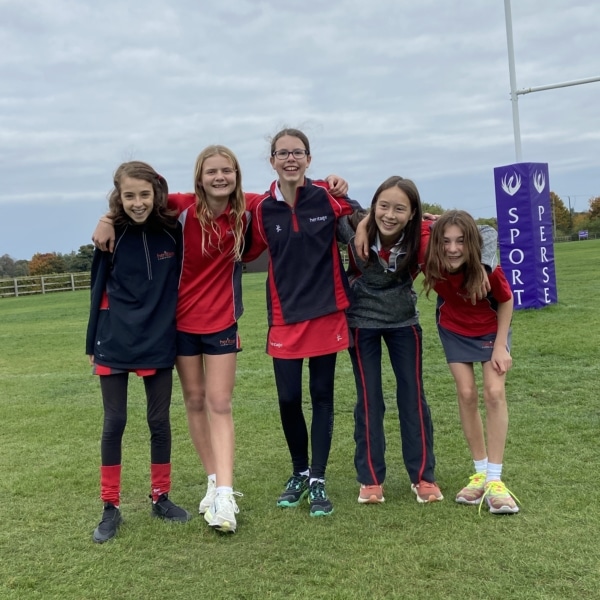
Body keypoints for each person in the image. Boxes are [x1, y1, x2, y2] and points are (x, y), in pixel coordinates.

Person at [91, 146, 349, 528]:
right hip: (179, 324)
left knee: (220, 403)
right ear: (200, 176)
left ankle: (226, 496)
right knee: (195, 402)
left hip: (222, 323)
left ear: (236, 175)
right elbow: (139, 198)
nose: (219, 177)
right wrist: (107, 218)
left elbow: (292, 190)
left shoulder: (249, 208)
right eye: (211, 171)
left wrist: (332, 184)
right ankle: (213, 482)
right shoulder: (180, 207)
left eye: (226, 170)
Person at [242, 128, 360, 517]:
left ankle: (318, 479)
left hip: (327, 312)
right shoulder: (262, 209)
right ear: (272, 161)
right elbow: (242, 249)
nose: (290, 159)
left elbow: (370, 219)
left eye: (297, 152)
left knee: (322, 396)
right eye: (283, 153)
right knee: (289, 399)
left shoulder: (327, 196)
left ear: (309, 159)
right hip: (285, 317)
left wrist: (426, 220)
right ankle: (299, 471)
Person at [86, 161, 190, 544]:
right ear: (119, 196)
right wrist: (91, 343)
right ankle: (110, 506)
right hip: (114, 340)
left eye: (144, 194)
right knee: (114, 422)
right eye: (129, 196)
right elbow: (97, 288)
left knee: (159, 421)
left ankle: (161, 497)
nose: (138, 202)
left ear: (156, 193)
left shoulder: (172, 230)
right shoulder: (110, 234)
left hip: (158, 339)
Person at [337, 176, 443, 504]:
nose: (390, 215)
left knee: (412, 396)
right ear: (373, 207)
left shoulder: (423, 233)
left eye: (400, 209)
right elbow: (325, 201)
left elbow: (478, 232)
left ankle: (423, 477)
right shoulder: (352, 226)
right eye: (383, 206)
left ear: (412, 214)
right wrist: (333, 183)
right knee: (370, 399)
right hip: (362, 323)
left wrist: (441, 223)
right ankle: (370, 479)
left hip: (403, 323)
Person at [422, 209, 519, 514]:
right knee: (466, 394)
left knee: (494, 392)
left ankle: (495, 480)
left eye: (461, 241)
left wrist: (501, 346)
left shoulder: (487, 268)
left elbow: (506, 300)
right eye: (446, 241)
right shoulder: (430, 260)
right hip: (453, 329)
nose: (453, 249)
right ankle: (479, 474)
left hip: (491, 329)